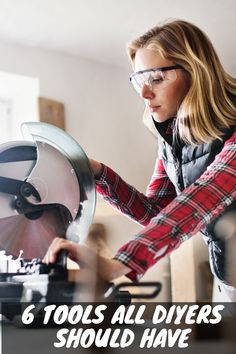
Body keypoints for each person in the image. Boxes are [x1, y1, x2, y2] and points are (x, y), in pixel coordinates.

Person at [44, 20, 236, 300]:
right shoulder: (173, 140)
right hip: (227, 283)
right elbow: (156, 213)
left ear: (196, 72)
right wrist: (97, 174)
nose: (144, 94)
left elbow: (203, 197)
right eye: (139, 81)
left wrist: (121, 264)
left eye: (156, 78)